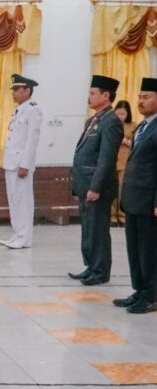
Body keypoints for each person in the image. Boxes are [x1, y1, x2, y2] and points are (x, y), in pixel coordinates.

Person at [68, 75, 123, 286]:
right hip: (85, 185)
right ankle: (91, 266)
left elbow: (106, 158)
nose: (89, 97)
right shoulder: (93, 120)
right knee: (88, 228)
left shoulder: (111, 121)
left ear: (106, 96)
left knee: (98, 229)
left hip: (97, 187)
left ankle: (100, 271)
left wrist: (95, 186)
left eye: (93, 93)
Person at [114, 77, 157, 314]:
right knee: (135, 248)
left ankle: (151, 295)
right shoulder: (142, 126)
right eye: (140, 97)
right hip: (134, 199)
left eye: (147, 97)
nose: (141, 101)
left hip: (149, 200)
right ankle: (139, 289)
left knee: (149, 249)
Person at [0, 74, 42, 249]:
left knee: (23, 202)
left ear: (27, 90)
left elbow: (32, 140)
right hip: (11, 162)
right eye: (13, 90)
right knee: (14, 200)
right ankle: (17, 234)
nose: (14, 93)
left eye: (17, 89)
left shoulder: (33, 110)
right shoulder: (19, 110)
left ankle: (24, 238)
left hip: (20, 165)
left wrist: (25, 164)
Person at [112, 100, 137, 226]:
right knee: (111, 190)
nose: (120, 116)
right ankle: (111, 216)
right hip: (111, 161)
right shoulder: (111, 124)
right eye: (118, 113)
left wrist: (127, 141)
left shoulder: (133, 125)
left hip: (126, 161)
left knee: (122, 190)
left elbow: (137, 143)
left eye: (123, 114)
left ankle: (122, 215)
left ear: (128, 114)